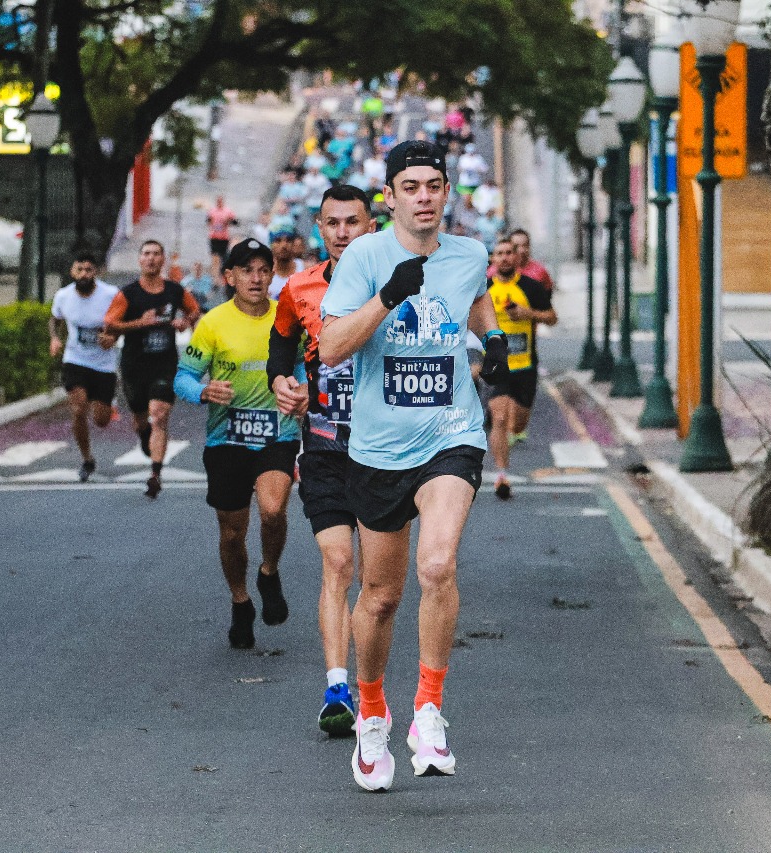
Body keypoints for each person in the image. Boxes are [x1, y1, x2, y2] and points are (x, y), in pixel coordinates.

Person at [319, 140, 510, 791]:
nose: (424, 195)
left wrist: (497, 338)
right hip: (377, 449)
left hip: (449, 434)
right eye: (412, 185)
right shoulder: (365, 257)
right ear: (391, 196)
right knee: (380, 595)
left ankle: (429, 710)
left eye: (434, 184)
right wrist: (384, 299)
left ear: (446, 191)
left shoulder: (468, 253)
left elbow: (472, 299)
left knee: (438, 563)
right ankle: (372, 712)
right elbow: (329, 349)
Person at [267, 185, 375, 736]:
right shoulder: (299, 286)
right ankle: (338, 689)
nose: (340, 233)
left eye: (351, 222)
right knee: (338, 564)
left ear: (371, 225)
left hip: (386, 454)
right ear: (319, 226)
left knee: (380, 585)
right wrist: (283, 382)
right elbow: (281, 345)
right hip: (326, 448)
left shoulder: (396, 281)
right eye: (331, 223)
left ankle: (372, 688)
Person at [174, 239, 303, 649]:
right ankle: (240, 601)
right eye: (246, 270)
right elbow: (183, 378)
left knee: (272, 510)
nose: (256, 277)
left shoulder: (286, 318)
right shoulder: (212, 323)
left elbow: (301, 364)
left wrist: (300, 388)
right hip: (225, 438)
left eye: (263, 269)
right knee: (232, 533)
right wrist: (203, 391)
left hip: (276, 433)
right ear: (229, 277)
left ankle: (269, 571)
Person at [103, 239, 202, 498]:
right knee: (140, 419)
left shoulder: (174, 290)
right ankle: (143, 433)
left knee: (159, 415)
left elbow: (194, 311)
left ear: (163, 259)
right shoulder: (128, 294)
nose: (151, 259)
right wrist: (140, 323)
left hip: (164, 364)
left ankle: (155, 474)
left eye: (156, 254)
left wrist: (185, 321)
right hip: (134, 365)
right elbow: (110, 324)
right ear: (139, 259)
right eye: (146, 254)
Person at [483, 238, 557, 499]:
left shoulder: (531, 287)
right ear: (493, 259)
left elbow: (552, 317)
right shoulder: (484, 289)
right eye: (499, 253)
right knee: (500, 418)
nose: (503, 258)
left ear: (516, 258)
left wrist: (529, 314)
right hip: (497, 365)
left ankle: (513, 435)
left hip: (525, 365)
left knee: (518, 423)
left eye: (508, 253)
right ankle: (501, 475)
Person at [50, 252, 120, 481]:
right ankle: (87, 458)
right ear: (72, 271)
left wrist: (113, 337)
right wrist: (55, 338)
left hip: (104, 364)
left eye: (88, 270)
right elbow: (54, 319)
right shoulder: (63, 296)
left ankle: (107, 402)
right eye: (79, 269)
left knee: (101, 420)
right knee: (79, 410)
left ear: (96, 272)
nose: (83, 274)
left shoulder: (110, 294)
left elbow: (122, 322)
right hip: (76, 360)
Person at [267, 228, 306, 300]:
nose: (284, 245)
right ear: (271, 245)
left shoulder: (305, 269)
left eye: (288, 240)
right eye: (278, 241)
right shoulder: (264, 273)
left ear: (294, 244)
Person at [206, 196, 238, 277]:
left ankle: (222, 276)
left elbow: (235, 222)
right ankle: (215, 278)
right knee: (215, 258)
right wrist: (212, 223)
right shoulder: (212, 211)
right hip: (214, 237)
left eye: (220, 201)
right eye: (218, 201)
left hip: (224, 238)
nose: (219, 202)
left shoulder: (227, 211)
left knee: (223, 257)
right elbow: (208, 221)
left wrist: (228, 221)